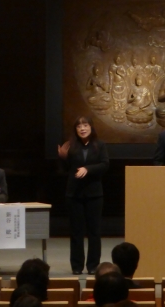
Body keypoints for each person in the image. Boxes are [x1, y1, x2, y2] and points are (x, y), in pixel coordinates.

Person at [58, 116, 110, 275]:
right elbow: (64, 170)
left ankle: (93, 265)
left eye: (85, 125)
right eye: (79, 126)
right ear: (75, 130)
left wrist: (88, 169)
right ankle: (76, 265)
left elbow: (105, 165)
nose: (82, 128)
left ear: (91, 127)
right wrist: (62, 158)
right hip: (74, 194)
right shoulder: (71, 146)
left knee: (94, 232)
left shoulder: (99, 145)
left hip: (94, 194)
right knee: (76, 232)